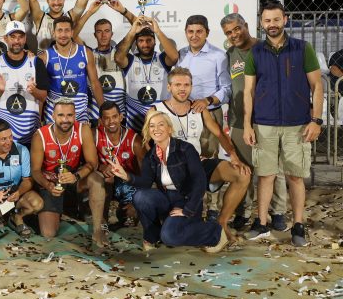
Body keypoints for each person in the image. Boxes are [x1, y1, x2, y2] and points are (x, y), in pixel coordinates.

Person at [243, 1, 324, 247]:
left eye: (276, 20)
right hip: (264, 124)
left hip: (297, 124)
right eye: (267, 21)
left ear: (285, 20)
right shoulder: (255, 52)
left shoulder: (302, 48)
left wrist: (316, 120)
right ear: (261, 23)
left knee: (295, 177)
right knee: (265, 176)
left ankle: (298, 225)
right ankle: (262, 223)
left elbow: (318, 86)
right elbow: (248, 91)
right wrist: (248, 124)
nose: (272, 25)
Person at [153, 67, 250, 242]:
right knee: (175, 233)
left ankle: (221, 224)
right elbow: (149, 145)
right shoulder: (157, 110)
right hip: (174, 172)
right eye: (177, 85)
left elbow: (219, 133)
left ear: (191, 86)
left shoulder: (198, 108)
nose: (182, 89)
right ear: (169, 87)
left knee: (242, 175)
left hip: (198, 165)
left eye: (186, 85)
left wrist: (234, 157)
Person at [110, 111, 228, 253]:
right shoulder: (151, 155)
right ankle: (152, 237)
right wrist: (126, 176)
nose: (156, 129)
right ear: (148, 130)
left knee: (170, 236)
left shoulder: (185, 149)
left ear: (169, 129)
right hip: (166, 198)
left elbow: (200, 181)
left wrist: (188, 209)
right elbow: (145, 184)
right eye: (152, 126)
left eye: (161, 125)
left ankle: (214, 231)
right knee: (140, 196)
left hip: (186, 200)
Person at [220, 13, 288, 232]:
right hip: (240, 121)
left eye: (236, 29)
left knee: (273, 169)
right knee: (244, 169)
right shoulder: (230, 54)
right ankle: (243, 211)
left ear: (246, 26)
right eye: (228, 33)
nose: (234, 35)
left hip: (267, 120)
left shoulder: (265, 48)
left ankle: (277, 212)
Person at [30, 98, 106, 247]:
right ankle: (49, 213)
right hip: (52, 184)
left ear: (75, 115)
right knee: (48, 233)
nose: (65, 120)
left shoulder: (83, 129)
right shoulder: (40, 135)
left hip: (74, 179)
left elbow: (93, 163)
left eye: (70, 115)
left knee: (98, 178)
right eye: (61, 115)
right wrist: (48, 185)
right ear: (53, 116)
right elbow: (35, 171)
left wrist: (76, 176)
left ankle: (97, 229)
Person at [0, 21, 49, 145]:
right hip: (3, 134)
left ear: (25, 39)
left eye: (20, 37)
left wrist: (34, 91)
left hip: (30, 133)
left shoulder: (36, 62)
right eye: (12, 37)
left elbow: (44, 96)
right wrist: (0, 91)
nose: (16, 41)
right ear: (5, 39)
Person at [176, 15, 231, 158]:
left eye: (199, 31)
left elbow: (226, 89)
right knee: (184, 157)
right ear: (185, 32)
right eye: (190, 32)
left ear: (207, 32)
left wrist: (207, 100)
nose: (194, 36)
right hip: (183, 114)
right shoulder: (180, 54)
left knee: (208, 158)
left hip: (210, 113)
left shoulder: (219, 56)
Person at [74, 0, 137, 118]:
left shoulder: (120, 52)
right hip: (95, 115)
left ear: (112, 34)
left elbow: (138, 26)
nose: (103, 35)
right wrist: (90, 12)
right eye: (99, 32)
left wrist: (123, 11)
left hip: (119, 116)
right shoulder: (89, 53)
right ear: (94, 35)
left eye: (107, 31)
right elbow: (73, 34)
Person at [114, 17, 179, 132]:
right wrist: (132, 32)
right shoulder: (130, 59)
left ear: (155, 41)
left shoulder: (162, 58)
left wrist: (157, 31)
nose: (145, 44)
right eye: (141, 41)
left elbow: (174, 57)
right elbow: (118, 58)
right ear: (136, 43)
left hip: (160, 119)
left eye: (149, 40)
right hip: (135, 119)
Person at [39, 15, 103, 124]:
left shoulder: (85, 52)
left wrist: (103, 111)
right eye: (60, 30)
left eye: (67, 30)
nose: (63, 34)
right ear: (53, 33)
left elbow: (95, 83)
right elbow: (39, 91)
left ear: (72, 33)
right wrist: (38, 118)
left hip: (80, 114)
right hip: (53, 115)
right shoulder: (45, 56)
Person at [93, 101, 145, 228]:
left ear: (121, 117)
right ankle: (101, 220)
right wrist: (101, 166)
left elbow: (146, 175)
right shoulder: (94, 135)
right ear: (100, 120)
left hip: (128, 184)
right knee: (105, 177)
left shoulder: (135, 141)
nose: (111, 121)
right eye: (106, 118)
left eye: (114, 117)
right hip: (106, 181)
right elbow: (87, 162)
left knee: (129, 219)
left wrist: (136, 201)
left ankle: (128, 209)